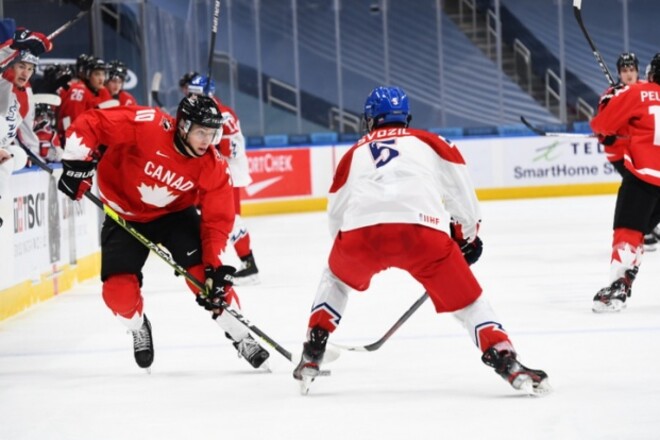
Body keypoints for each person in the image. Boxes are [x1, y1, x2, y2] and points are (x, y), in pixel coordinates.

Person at [292, 86, 551, 396]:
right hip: (422, 234)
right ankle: (504, 358)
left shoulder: (353, 152)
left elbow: (335, 213)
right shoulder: (431, 141)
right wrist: (467, 236)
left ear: (371, 119)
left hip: (362, 235)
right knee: (469, 302)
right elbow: (461, 191)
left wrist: (347, 249)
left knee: (334, 278)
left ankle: (314, 346)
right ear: (406, 117)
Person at [57, 94, 270, 370]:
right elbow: (93, 122)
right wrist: (76, 164)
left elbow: (217, 220)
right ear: (183, 127)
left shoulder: (213, 165)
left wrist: (214, 266)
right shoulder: (149, 126)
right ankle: (137, 326)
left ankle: (241, 335)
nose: (207, 140)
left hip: (174, 216)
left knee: (206, 279)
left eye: (212, 133)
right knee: (117, 293)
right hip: (124, 215)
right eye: (201, 132)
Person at [590, 53, 660, 313]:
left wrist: (615, 105)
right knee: (641, 234)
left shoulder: (636, 93)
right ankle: (625, 281)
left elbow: (602, 125)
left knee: (629, 234)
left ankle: (619, 287)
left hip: (643, 177)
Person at [181, 72, 260, 285]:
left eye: (196, 93)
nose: (192, 96)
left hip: (229, 174)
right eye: (191, 92)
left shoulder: (223, 114)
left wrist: (211, 139)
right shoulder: (205, 111)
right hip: (215, 173)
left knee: (230, 220)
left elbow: (232, 149)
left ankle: (249, 264)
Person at [0, 28, 53, 228]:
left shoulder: (26, 95)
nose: (25, 73)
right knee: (1, 125)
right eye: (21, 66)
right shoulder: (2, 79)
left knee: (18, 158)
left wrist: (37, 156)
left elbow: (27, 134)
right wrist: (14, 46)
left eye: (30, 68)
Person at [57, 56, 114, 137]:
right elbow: (72, 123)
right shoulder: (78, 91)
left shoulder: (102, 91)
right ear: (88, 75)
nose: (101, 79)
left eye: (103, 74)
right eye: (97, 74)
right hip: (73, 140)